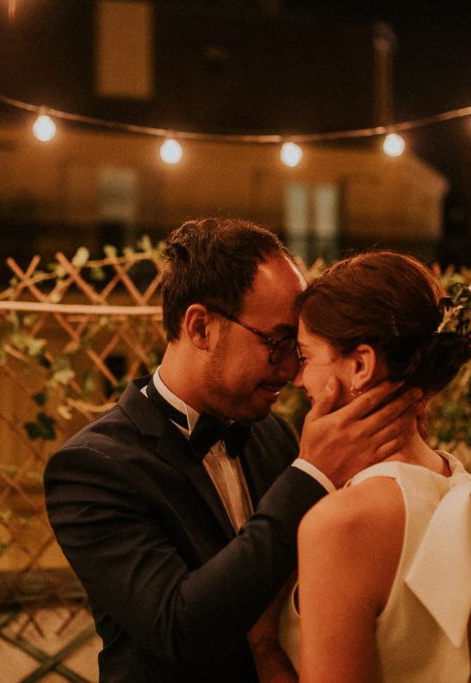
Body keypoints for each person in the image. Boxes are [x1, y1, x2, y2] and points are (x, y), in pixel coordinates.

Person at [43, 218, 423, 682]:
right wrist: (310, 475)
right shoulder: (92, 467)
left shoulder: (275, 435)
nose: (291, 370)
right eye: (277, 342)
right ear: (201, 326)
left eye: (299, 350)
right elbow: (181, 630)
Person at [263, 249, 471, 682]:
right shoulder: (456, 486)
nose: (297, 379)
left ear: (361, 365)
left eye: (307, 357)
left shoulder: (342, 523)